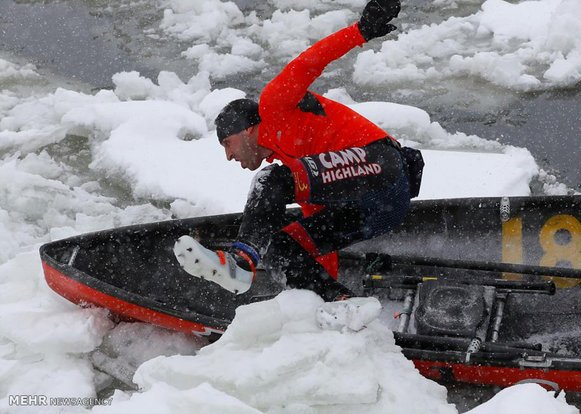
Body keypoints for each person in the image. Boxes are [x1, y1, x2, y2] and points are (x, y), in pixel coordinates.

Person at [174, 0, 424, 304]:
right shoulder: (296, 169)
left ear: (246, 129)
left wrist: (359, 32)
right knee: (282, 247)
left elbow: (309, 63)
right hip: (380, 211)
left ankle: (240, 261)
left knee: (270, 181)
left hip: (380, 164)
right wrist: (319, 277)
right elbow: (320, 236)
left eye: (227, 143)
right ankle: (333, 302)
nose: (229, 156)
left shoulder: (274, 105)